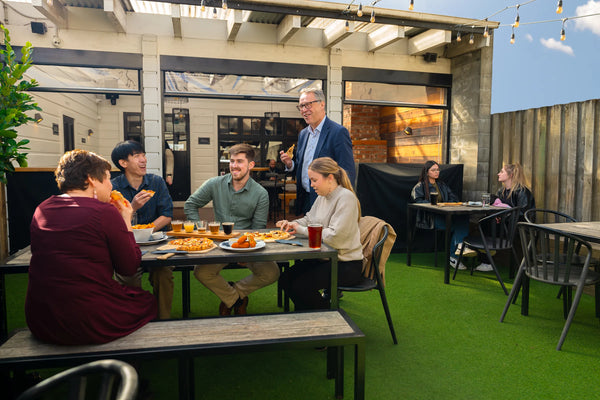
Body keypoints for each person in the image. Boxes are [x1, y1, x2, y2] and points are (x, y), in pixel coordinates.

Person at [25, 150, 157, 345]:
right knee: (146, 300)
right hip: (86, 320)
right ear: (91, 180)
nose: (111, 185)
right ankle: (128, 363)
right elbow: (129, 268)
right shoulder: (104, 212)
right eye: (108, 179)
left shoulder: (42, 208)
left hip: (41, 319)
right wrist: (126, 219)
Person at [184, 143, 280, 316]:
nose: (234, 165)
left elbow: (258, 227)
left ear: (251, 165)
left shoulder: (260, 193)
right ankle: (235, 299)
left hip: (247, 246)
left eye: (240, 161)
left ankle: (235, 292)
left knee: (272, 272)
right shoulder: (214, 184)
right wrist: (201, 231)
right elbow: (191, 205)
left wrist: (246, 251)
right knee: (201, 272)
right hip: (220, 244)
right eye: (232, 161)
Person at [277, 157, 363, 310]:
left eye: (314, 180)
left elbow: (334, 237)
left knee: (299, 286)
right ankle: (311, 314)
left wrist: (301, 230)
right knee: (285, 279)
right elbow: (310, 219)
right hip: (326, 259)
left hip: (346, 265)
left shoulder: (346, 198)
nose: (311, 185)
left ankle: (329, 317)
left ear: (330, 178)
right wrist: (293, 224)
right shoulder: (322, 197)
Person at [111, 140, 174, 319]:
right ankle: (134, 318)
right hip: (127, 244)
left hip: (157, 243)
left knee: (163, 273)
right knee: (127, 276)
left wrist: (147, 231)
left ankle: (163, 320)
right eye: (137, 156)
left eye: (143, 155)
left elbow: (167, 215)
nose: (143, 160)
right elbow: (114, 222)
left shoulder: (156, 182)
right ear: (123, 163)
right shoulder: (113, 187)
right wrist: (133, 207)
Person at [279, 88, 356, 215]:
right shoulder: (303, 134)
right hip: (305, 199)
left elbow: (347, 172)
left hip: (328, 202)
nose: (304, 110)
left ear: (322, 104)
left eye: (308, 105)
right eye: (301, 106)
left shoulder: (338, 132)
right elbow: (304, 167)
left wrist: (341, 204)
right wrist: (290, 164)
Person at [471, 163, 536, 272]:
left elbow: (523, 214)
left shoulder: (522, 191)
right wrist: (496, 216)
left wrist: (502, 217)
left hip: (519, 226)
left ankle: (486, 259)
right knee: (483, 223)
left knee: (487, 225)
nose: (498, 174)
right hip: (504, 224)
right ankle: (484, 258)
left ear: (510, 175)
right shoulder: (501, 191)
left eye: (501, 172)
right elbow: (498, 207)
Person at [410, 160, 469, 270]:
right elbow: (417, 202)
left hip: (445, 215)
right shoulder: (419, 186)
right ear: (427, 172)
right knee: (459, 226)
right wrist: (434, 204)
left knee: (464, 219)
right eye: (433, 170)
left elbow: (454, 198)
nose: (437, 172)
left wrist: (447, 204)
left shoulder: (442, 185)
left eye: (438, 170)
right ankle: (456, 253)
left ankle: (459, 247)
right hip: (431, 219)